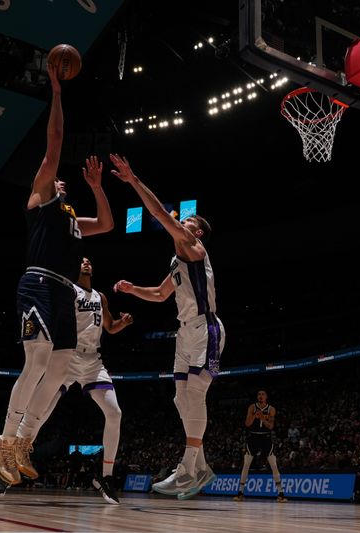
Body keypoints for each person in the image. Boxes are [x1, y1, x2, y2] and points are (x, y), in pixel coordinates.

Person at [0, 58, 114, 488]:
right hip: (38, 282)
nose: (59, 178)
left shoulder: (73, 218)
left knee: (60, 370)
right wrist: (57, 94)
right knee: (37, 359)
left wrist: (97, 187)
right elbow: (55, 142)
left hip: (64, 295)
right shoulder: (41, 199)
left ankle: (24, 440)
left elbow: (109, 225)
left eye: (61, 180)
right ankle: (5, 439)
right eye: (54, 176)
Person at [110, 153, 224, 501]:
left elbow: (160, 214)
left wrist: (133, 181)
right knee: (179, 396)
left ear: (197, 231)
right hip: (185, 332)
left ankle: (188, 468)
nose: (182, 223)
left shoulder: (194, 247)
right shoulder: (179, 260)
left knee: (195, 394)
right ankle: (201, 466)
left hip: (207, 329)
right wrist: (133, 290)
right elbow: (161, 294)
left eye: (187, 221)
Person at [0, 257, 133, 504]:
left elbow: (108, 327)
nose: (86, 263)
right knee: (41, 414)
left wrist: (123, 323)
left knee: (115, 413)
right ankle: (6, 471)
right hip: (67, 357)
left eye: (89, 261)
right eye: (81, 261)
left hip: (92, 362)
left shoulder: (101, 297)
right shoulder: (67, 290)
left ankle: (106, 477)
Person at [233, 390, 288, 503]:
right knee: (246, 464)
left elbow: (271, 426)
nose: (260, 396)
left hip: (265, 438)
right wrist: (254, 415)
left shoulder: (271, 409)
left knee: (273, 464)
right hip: (253, 437)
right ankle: (240, 492)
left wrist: (262, 418)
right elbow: (247, 424)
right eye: (259, 394)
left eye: (263, 394)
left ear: (266, 397)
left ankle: (281, 493)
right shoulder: (252, 407)